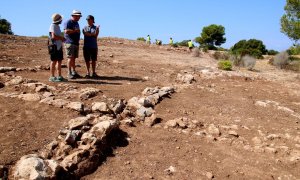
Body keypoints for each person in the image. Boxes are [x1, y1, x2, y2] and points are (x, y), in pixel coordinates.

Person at [64, 10, 82, 79]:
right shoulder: (68, 22)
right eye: (78, 16)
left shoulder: (76, 23)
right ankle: (69, 73)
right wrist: (75, 31)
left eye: (79, 16)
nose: (79, 17)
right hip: (69, 42)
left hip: (75, 43)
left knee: (73, 58)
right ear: (74, 16)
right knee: (70, 58)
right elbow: (66, 31)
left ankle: (74, 72)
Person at [48, 13, 66, 82]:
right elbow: (53, 36)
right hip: (55, 46)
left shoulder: (57, 26)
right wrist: (61, 38)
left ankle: (59, 76)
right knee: (54, 61)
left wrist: (61, 39)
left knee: (59, 61)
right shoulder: (53, 26)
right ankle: (52, 76)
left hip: (58, 46)